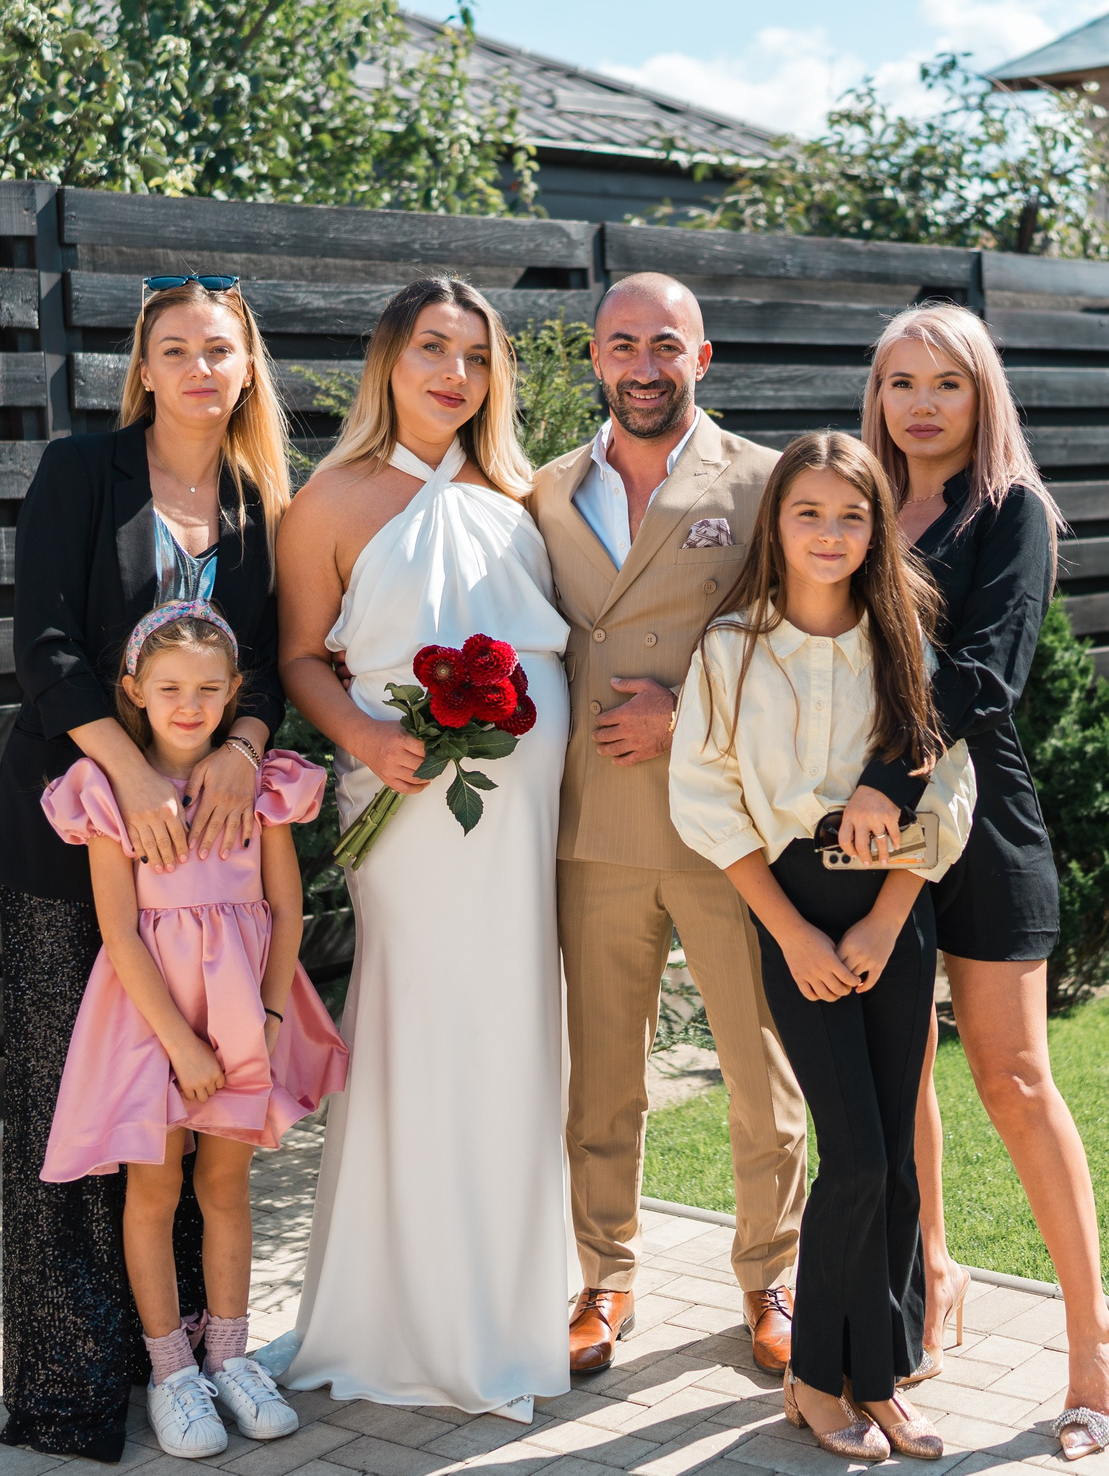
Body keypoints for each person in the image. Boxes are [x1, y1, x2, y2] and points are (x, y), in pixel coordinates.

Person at [0, 275, 295, 1462]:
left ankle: (201, 1358)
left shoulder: (265, 500)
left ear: (247, 366)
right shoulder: (79, 473)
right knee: (80, 1110)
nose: (200, 368)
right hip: (81, 838)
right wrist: (136, 777)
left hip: (208, 858)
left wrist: (244, 751)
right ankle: (76, 1380)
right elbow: (45, 649)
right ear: (145, 369)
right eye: (176, 350)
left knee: (190, 1122)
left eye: (220, 349)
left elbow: (264, 664)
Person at [274, 277, 573, 1421]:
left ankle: (502, 1317)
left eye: (477, 355)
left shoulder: (523, 491)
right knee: (415, 1031)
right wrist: (363, 734)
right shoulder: (335, 495)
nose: (455, 373)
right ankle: (392, 1318)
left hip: (523, 811)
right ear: (387, 362)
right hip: (400, 805)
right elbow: (302, 652)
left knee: (509, 1034)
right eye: (432, 349)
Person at [839, 302, 1109, 1460]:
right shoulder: (853, 505)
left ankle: (1093, 1343)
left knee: (1011, 1077)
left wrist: (876, 778)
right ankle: (933, 1277)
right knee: (897, 1072)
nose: (920, 404)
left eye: (945, 384)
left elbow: (986, 676)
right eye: (901, 382)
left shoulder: (1012, 516)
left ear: (981, 396)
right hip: (863, 825)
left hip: (980, 817)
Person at [669, 431, 975, 1463]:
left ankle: (878, 1382)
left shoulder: (905, 640)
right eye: (809, 513)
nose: (830, 533)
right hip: (791, 904)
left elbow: (949, 784)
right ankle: (810, 1379)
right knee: (848, 1152)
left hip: (896, 906)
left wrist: (890, 917)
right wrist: (790, 929)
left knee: (892, 1162)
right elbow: (706, 797)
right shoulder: (732, 648)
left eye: (852, 516)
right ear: (777, 524)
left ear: (877, 529)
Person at [527, 273, 807, 1379]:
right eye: (621, 345)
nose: (643, 365)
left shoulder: (766, 481)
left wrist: (687, 714)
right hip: (589, 828)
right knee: (601, 1074)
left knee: (758, 1064)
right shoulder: (545, 489)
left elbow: (805, 644)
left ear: (705, 354)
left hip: (725, 828)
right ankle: (605, 1278)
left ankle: (770, 1279)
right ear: (594, 358)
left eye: (664, 344)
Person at [37, 601, 348, 1458]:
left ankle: (232, 1359)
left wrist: (274, 1016)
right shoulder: (106, 793)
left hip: (245, 1014)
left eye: (210, 688)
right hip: (151, 1026)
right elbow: (120, 931)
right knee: (152, 1192)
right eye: (170, 686)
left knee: (225, 1187)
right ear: (133, 689)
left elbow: (285, 910)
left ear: (234, 691)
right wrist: (180, 1042)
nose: (189, 703)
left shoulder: (263, 784)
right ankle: (173, 1372)